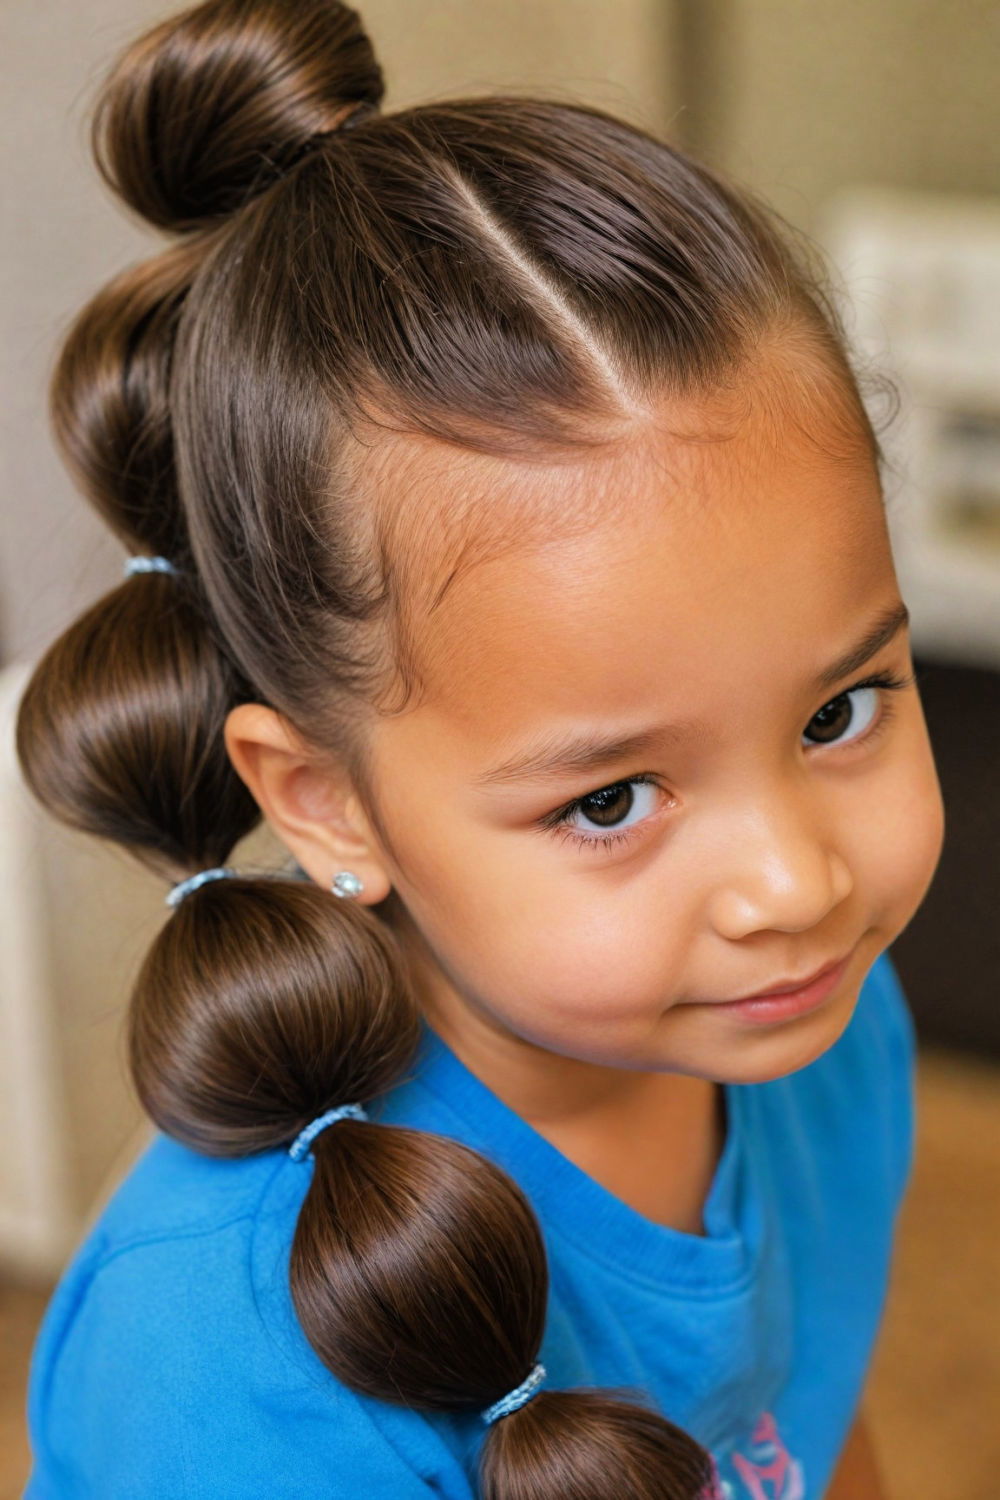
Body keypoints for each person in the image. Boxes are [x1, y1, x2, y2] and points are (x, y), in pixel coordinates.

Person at [17, 1, 945, 1496]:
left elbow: (813, 1420)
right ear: (327, 806)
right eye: (613, 799)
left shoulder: (829, 1034)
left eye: (836, 712)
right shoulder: (227, 1363)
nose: (798, 883)